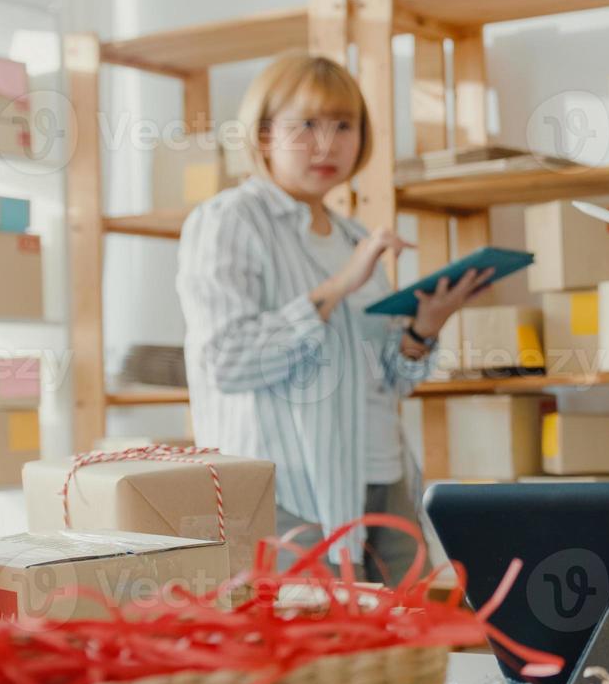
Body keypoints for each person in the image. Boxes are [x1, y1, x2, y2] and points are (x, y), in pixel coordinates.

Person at [176, 53, 488, 584]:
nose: (327, 145)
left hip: (382, 476)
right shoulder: (229, 221)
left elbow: (392, 378)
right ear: (265, 133)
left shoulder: (351, 237)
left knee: (407, 650)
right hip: (290, 489)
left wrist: (423, 329)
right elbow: (225, 362)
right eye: (307, 126)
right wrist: (338, 286)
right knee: (315, 652)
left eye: (344, 126)